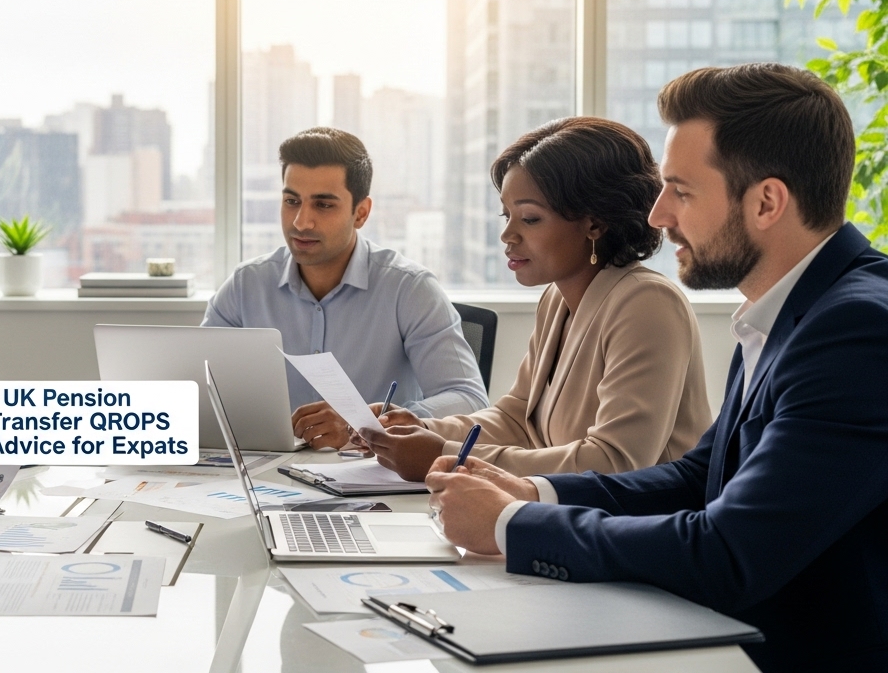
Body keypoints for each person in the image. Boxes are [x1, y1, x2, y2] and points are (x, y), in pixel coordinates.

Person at [418, 63, 888, 671]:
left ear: (767, 202)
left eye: (682, 191)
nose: (659, 215)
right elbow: (698, 478)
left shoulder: (856, 330)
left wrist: (513, 525)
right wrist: (535, 490)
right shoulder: (789, 308)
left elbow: (728, 553)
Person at [362, 117, 712, 478]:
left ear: (595, 223)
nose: (507, 235)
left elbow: (616, 462)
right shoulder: (557, 300)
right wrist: (420, 428)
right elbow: (516, 417)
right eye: (507, 215)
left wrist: (448, 456)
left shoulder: (647, 304)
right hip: (574, 518)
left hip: (643, 526)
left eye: (529, 218)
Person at [202, 127, 488, 445]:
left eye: (323, 205)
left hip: (376, 480)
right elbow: (197, 389)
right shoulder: (245, 286)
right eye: (291, 201)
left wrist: (361, 424)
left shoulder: (410, 289)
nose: (301, 222)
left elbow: (470, 399)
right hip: (267, 477)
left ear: (361, 213)